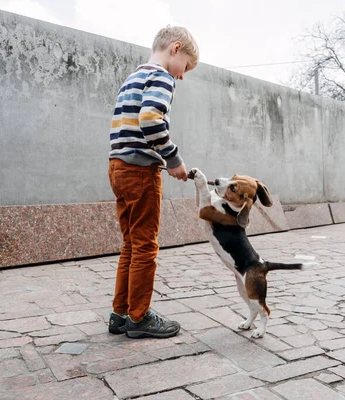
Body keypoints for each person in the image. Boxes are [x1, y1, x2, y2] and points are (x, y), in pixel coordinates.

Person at [107, 26, 199, 339]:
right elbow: (150, 119)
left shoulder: (132, 77)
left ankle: (119, 314)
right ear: (175, 49)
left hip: (117, 168)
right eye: (185, 66)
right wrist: (174, 161)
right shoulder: (162, 77)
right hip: (139, 171)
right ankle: (139, 317)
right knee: (146, 244)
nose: (182, 76)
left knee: (131, 244)